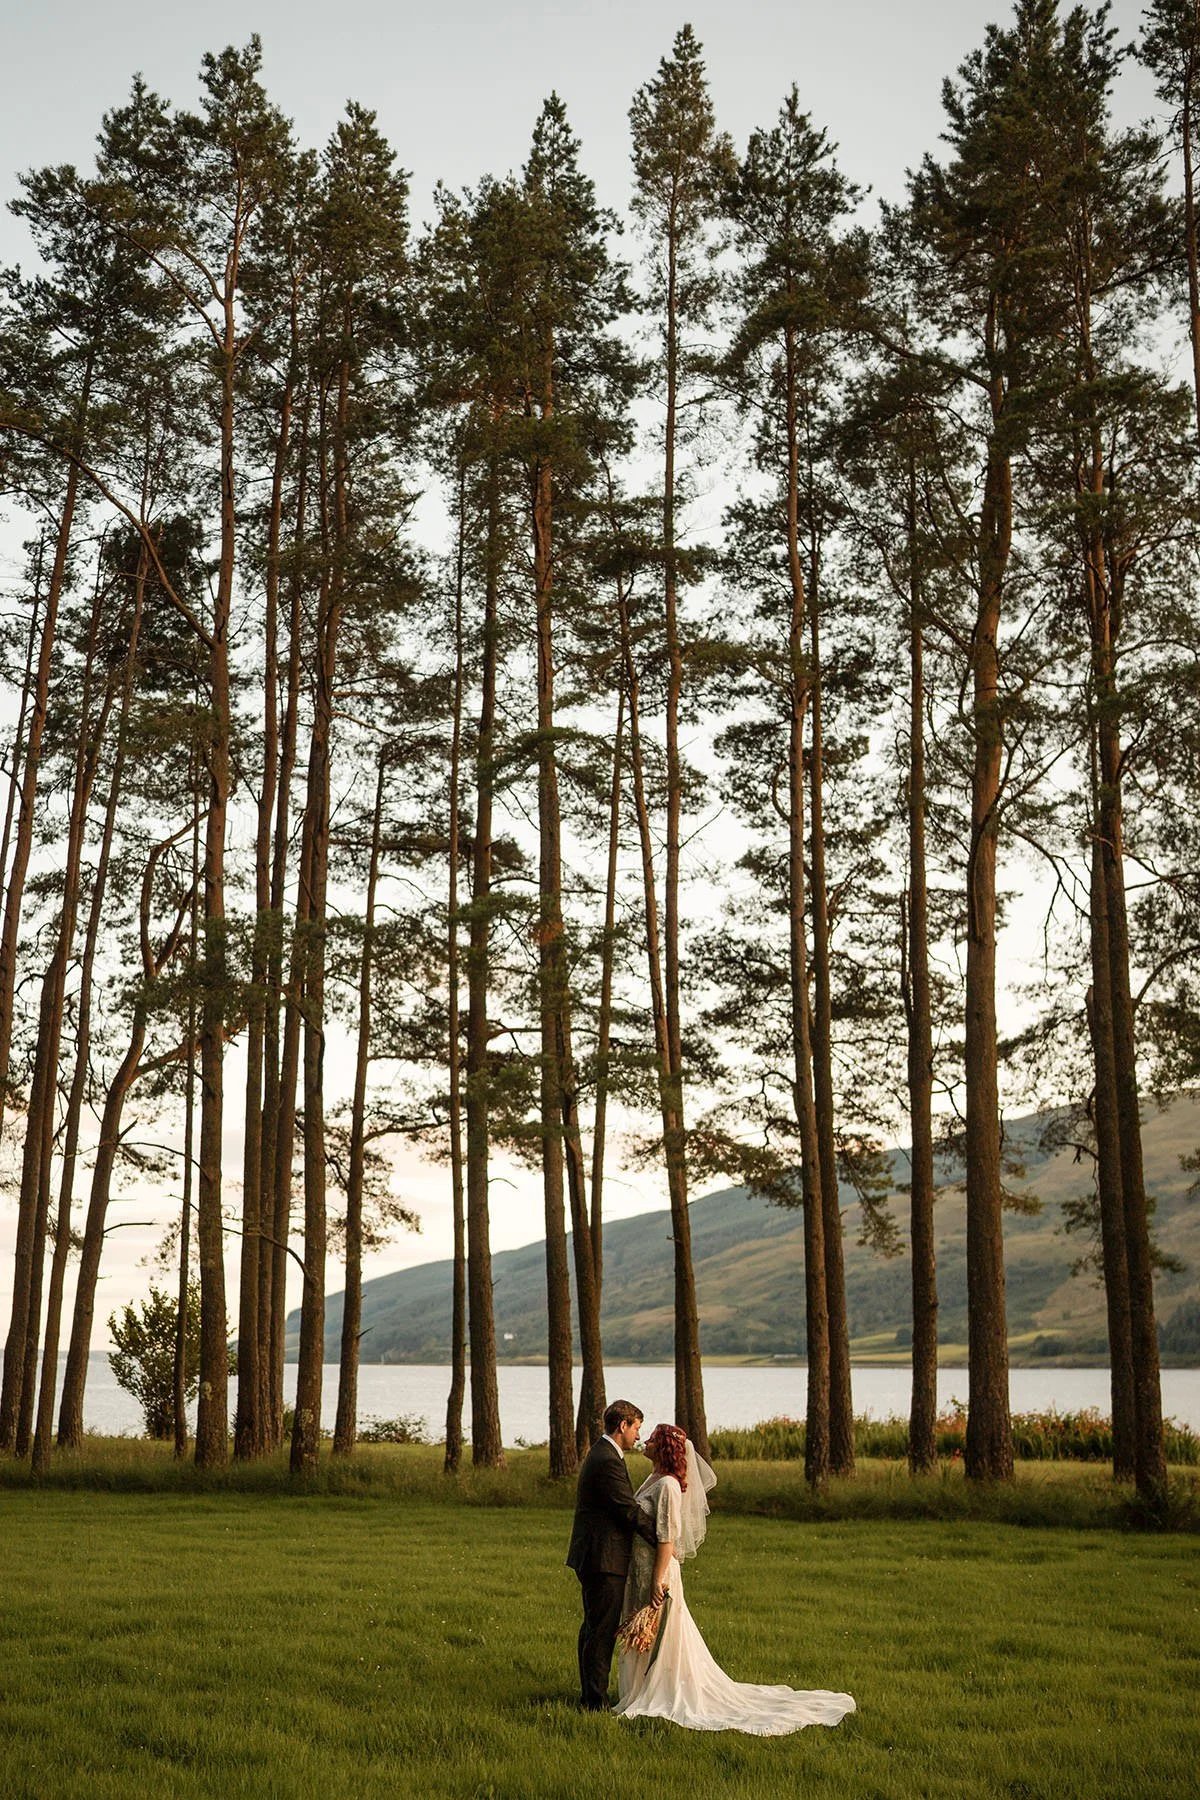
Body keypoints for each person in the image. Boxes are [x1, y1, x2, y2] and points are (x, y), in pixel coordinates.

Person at [614, 1421, 856, 1735]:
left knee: (655, 1634)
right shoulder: (654, 1478)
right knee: (641, 1631)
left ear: (663, 1447)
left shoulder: (670, 1487)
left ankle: (657, 1690)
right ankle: (638, 1689)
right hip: (641, 1566)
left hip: (656, 1571)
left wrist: (659, 1581)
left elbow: (667, 1539)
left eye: (652, 1438)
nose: (644, 1441)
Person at [566, 1399, 659, 1711]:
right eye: (636, 1429)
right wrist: (661, 1538)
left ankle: (590, 1695)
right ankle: (594, 1702)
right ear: (623, 1425)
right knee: (601, 1631)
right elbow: (626, 1509)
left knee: (594, 1627)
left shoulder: (603, 1453)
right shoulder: (607, 1459)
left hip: (595, 1554)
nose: (638, 1436)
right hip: (602, 1558)